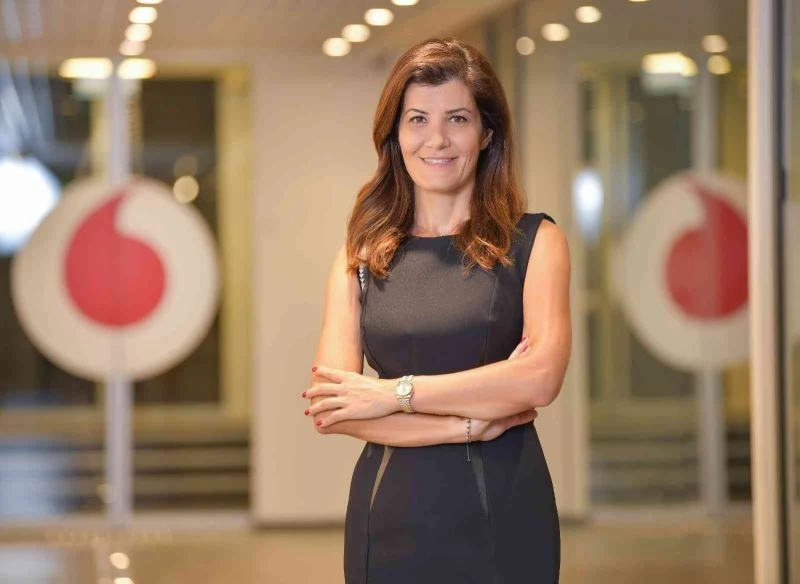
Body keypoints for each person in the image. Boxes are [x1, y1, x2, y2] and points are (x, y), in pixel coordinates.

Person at [302, 38, 571, 584]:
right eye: (418, 119)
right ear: (396, 134)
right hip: (388, 515)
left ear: (487, 132)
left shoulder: (535, 242)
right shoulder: (360, 254)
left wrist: (391, 394)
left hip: (505, 507)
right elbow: (334, 407)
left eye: (458, 119)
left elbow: (540, 380)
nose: (437, 139)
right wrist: (465, 425)